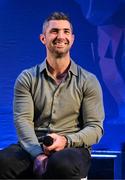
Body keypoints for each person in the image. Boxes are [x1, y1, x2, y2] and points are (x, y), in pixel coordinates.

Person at [0, 12, 105, 179]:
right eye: (54, 31)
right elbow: (23, 121)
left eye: (66, 31)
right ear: (43, 38)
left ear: (72, 38)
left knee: (61, 164)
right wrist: (37, 154)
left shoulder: (88, 80)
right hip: (34, 145)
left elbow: (95, 128)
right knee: (4, 161)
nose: (61, 36)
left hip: (72, 149)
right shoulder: (27, 78)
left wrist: (65, 140)